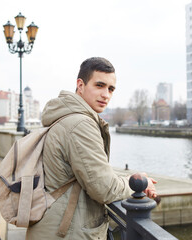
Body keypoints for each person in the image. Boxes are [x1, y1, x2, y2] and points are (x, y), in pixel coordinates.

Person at [26, 57, 157, 240]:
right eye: (99, 85)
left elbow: (90, 173)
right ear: (80, 85)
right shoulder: (80, 124)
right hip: (68, 232)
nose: (106, 95)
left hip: (51, 226)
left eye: (111, 89)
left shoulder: (64, 117)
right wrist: (138, 181)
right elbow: (103, 188)